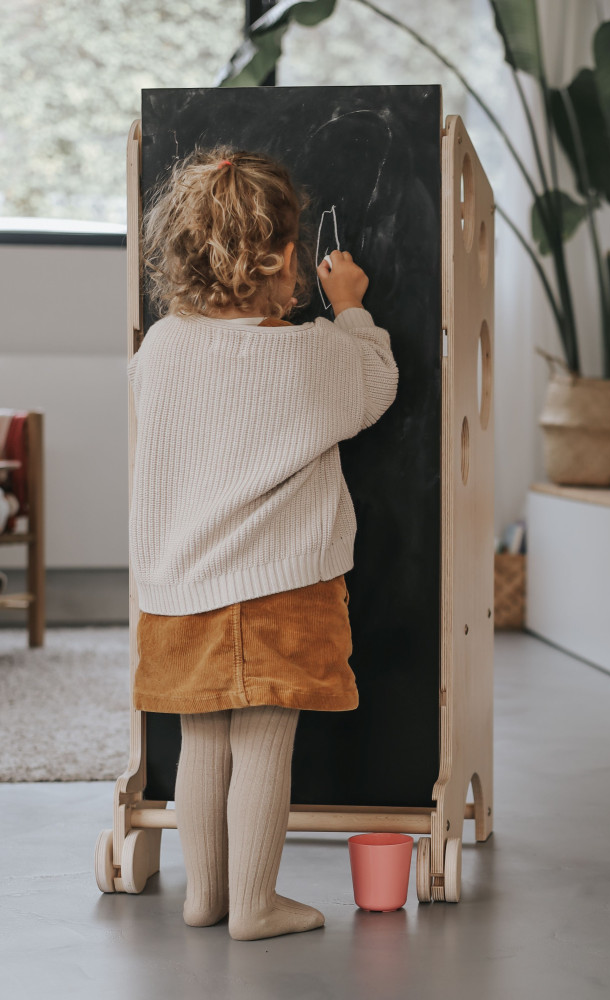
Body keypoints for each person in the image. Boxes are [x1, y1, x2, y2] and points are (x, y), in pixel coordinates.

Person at [126, 147, 398, 940]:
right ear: (286, 257)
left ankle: (205, 894)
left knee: (200, 741)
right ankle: (256, 905)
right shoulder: (310, 353)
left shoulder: (160, 348)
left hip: (176, 585)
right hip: (280, 583)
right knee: (264, 742)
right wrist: (348, 308)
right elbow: (377, 384)